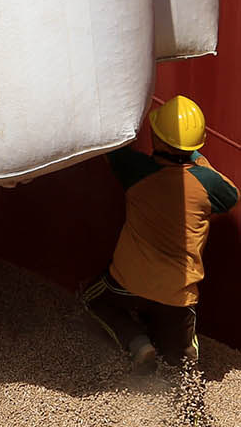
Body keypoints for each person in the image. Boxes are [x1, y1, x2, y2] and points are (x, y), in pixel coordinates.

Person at [84, 96, 236, 371]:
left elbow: (109, 147)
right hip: (177, 297)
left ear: (158, 138)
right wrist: (196, 158)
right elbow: (232, 195)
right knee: (178, 341)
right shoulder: (208, 185)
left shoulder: (136, 171)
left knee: (92, 299)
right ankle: (182, 355)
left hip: (127, 283)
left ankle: (136, 342)